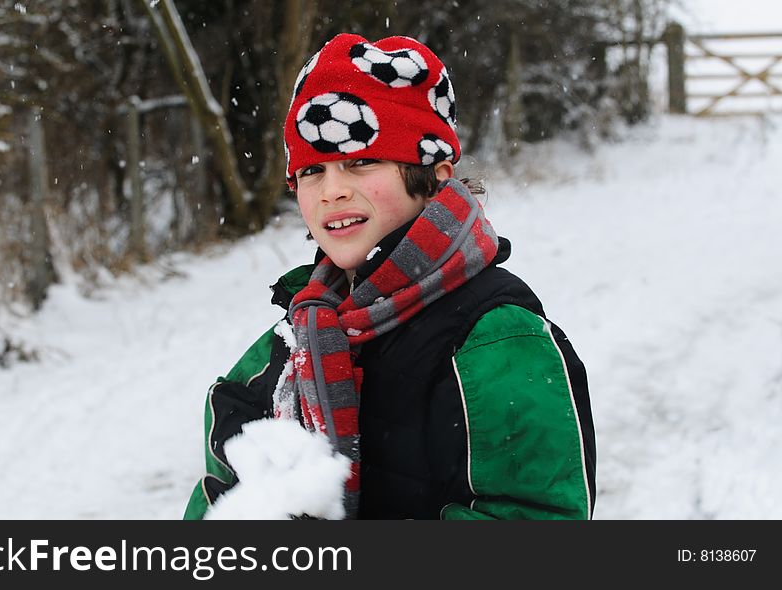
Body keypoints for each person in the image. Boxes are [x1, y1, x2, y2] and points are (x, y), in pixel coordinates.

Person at [184, 33, 596, 520]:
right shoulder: (303, 329)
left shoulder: (496, 337)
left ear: (434, 175)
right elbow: (223, 486)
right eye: (312, 172)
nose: (331, 191)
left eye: (361, 163)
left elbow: (534, 522)